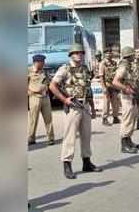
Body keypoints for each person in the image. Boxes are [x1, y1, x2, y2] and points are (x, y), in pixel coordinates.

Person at [49, 44, 102, 179]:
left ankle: (87, 162)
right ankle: (67, 164)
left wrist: (93, 107)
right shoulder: (64, 69)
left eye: (81, 52)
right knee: (70, 137)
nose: (79, 54)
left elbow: (88, 89)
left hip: (84, 106)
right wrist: (64, 100)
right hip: (73, 106)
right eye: (76, 52)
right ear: (71, 54)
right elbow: (52, 86)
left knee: (86, 136)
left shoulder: (84, 69)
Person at [112, 46, 139, 154]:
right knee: (127, 120)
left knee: (131, 119)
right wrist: (126, 89)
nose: (134, 56)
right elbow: (115, 82)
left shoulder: (128, 66)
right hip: (126, 97)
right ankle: (124, 145)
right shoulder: (123, 67)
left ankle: (129, 141)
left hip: (131, 97)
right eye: (133, 54)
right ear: (129, 55)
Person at [27, 54, 55, 146]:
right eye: (42, 62)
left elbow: (50, 81)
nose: (43, 63)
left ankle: (51, 138)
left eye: (43, 62)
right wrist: (29, 92)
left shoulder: (44, 71)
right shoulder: (28, 71)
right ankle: (31, 138)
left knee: (48, 119)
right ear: (36, 62)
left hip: (45, 98)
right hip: (34, 98)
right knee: (33, 119)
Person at [99, 47, 121, 126]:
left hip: (114, 85)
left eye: (110, 52)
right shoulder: (102, 63)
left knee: (115, 103)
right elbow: (101, 76)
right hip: (107, 85)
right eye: (107, 53)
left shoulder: (114, 63)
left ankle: (115, 117)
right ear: (104, 54)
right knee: (106, 103)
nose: (108, 54)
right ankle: (104, 118)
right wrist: (104, 87)